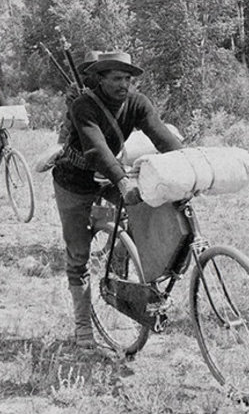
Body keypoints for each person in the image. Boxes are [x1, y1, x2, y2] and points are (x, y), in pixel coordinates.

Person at [51, 51, 182, 349]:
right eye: (117, 79)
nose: (125, 85)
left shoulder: (137, 102)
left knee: (150, 205)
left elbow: (161, 135)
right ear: (100, 79)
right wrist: (122, 182)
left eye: (128, 79)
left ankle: (122, 257)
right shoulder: (84, 105)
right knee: (78, 254)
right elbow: (96, 150)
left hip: (109, 175)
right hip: (75, 180)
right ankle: (83, 325)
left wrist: (187, 163)